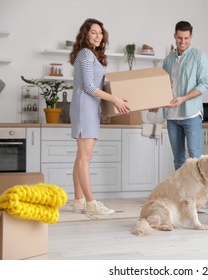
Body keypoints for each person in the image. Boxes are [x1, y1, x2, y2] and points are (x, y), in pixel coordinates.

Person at [69, 18, 130, 215]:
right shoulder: (86, 54)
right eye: (93, 32)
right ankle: (91, 203)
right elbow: (88, 87)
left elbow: (94, 85)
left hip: (88, 108)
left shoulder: (90, 54)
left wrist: (115, 98)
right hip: (84, 108)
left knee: (81, 157)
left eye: (100, 33)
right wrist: (115, 100)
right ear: (85, 34)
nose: (98, 36)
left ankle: (79, 201)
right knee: (84, 158)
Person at [160, 20, 208, 170]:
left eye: (186, 38)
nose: (183, 42)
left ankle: (198, 193)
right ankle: (182, 192)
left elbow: (204, 84)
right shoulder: (168, 60)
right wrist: (156, 103)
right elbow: (163, 86)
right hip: (171, 116)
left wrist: (183, 98)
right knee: (178, 159)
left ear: (191, 37)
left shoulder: (199, 56)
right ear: (174, 36)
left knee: (195, 157)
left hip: (191, 114)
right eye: (179, 38)